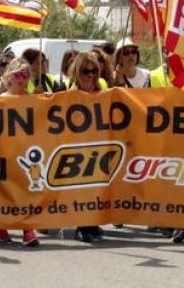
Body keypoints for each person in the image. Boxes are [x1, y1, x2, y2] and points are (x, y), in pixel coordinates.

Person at [0, 59, 39, 247]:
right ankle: (1, 226)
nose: (22, 79)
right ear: (9, 77)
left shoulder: (34, 99)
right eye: (18, 74)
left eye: (26, 75)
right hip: (4, 152)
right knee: (4, 192)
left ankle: (27, 230)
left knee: (25, 191)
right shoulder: (1, 98)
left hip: (25, 154)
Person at [65, 53, 106, 243]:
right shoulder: (66, 92)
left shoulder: (105, 91)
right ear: (76, 72)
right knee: (81, 186)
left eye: (94, 71)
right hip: (76, 147)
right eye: (86, 71)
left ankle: (92, 222)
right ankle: (82, 226)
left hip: (99, 146)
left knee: (96, 186)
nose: (90, 76)